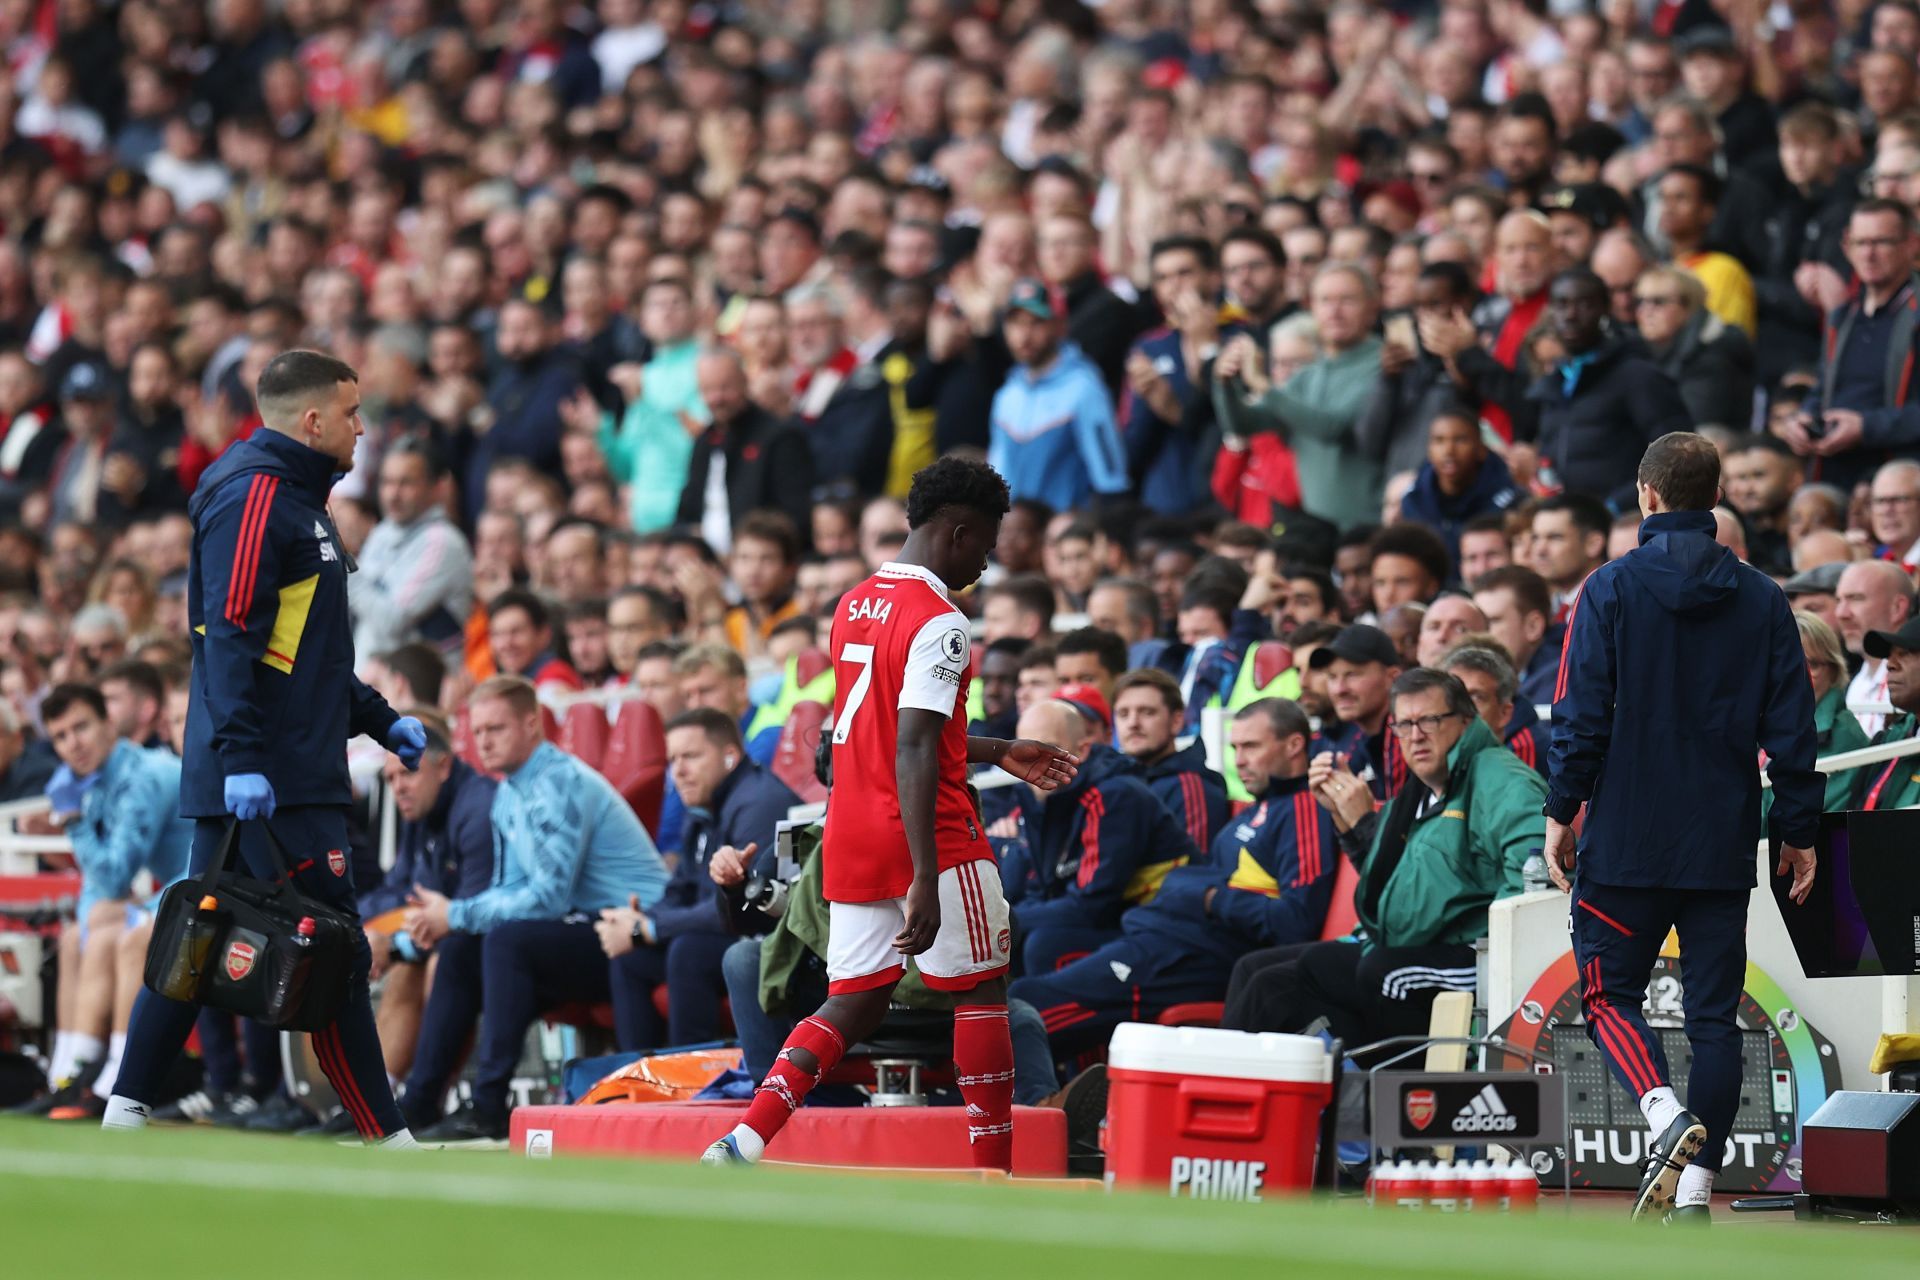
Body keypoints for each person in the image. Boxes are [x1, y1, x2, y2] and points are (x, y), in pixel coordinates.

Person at [702, 457, 1080, 1170]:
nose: (988, 558)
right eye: (987, 542)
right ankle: (993, 1171)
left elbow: (883, 728)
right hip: (926, 832)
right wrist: (926, 875)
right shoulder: (943, 622)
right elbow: (911, 744)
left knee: (854, 1002)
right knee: (982, 989)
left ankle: (742, 1142)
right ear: (958, 531)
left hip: (848, 831)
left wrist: (996, 749)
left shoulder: (854, 602)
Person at [104, 350, 433, 1146]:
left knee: (202, 933)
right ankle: (388, 1139)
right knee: (335, 949)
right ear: (312, 420)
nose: (364, 428)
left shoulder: (296, 500)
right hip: (272, 776)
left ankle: (122, 1111)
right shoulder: (255, 498)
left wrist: (378, 717)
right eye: (353, 413)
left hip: (279, 766)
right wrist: (244, 758)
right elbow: (231, 639)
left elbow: (302, 656)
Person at [1544, 432, 1819, 1223]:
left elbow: (1579, 716)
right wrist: (1794, 826)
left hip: (1626, 837)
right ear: (1714, 496)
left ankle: (1666, 1119)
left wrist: (1561, 810)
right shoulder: (1765, 598)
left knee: (1607, 995)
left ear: (1647, 496)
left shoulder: (1608, 589)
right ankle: (1696, 1192)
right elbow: (1794, 729)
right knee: (1714, 1016)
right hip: (1720, 841)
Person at [402, 676, 670, 1142]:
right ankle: (418, 1103)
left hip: (638, 934)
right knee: (467, 945)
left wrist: (457, 913)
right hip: (585, 929)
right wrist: (456, 919)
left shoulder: (560, 782)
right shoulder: (508, 793)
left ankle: (488, 1105)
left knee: (505, 939)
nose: (483, 741)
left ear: (531, 725)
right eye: (478, 731)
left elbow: (547, 897)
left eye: (496, 729)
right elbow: (512, 890)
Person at [1224, 670, 1544, 1054]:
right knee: (1265, 973)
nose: (1416, 735)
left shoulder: (1503, 782)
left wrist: (1499, 957)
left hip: (1478, 954)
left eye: (1429, 720)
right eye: (1405, 724)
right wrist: (1348, 824)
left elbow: (1534, 880)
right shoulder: (1419, 792)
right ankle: (1246, 1093)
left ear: (1465, 721)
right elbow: (1400, 885)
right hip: (1413, 944)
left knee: (1381, 973)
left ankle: (1406, 1097)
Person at [1012, 698, 1339, 1054]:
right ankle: (1063, 1098)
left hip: (1200, 957)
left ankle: (1044, 1103)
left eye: (1251, 747)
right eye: (1235, 748)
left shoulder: (1306, 808)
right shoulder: (1252, 813)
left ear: (1294, 745)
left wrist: (1208, 895)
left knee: (1023, 1009)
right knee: (1029, 976)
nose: (1239, 760)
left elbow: (1296, 922)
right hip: (1164, 937)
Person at [18, 683, 191, 1117]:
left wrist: (72, 821)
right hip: (175, 889)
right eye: (60, 736)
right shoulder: (94, 777)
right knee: (82, 932)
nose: (72, 744)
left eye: (81, 728)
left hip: (203, 884)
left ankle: (118, 1075)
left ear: (108, 724)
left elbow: (113, 877)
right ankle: (67, 1074)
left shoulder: (141, 776)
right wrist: (93, 920)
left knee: (125, 933)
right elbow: (99, 891)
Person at [598, 708, 798, 1047]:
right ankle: (641, 1081)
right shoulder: (703, 806)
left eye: (690, 756)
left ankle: (691, 1083)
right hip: (719, 931)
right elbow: (680, 890)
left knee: (688, 951)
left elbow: (737, 909)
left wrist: (646, 929)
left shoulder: (758, 802)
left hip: (766, 938)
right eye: (673, 759)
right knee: (630, 957)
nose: (679, 771)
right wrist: (639, 920)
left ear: (730, 756)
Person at [1000, 697, 1196, 975]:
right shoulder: (1038, 798)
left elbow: (1092, 906)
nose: (1031, 760)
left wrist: (1001, 920)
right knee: (1007, 941)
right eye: (1023, 749)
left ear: (1082, 750)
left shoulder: (1114, 795)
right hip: (1112, 922)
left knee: (1040, 944)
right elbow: (1042, 890)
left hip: (1158, 929)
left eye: (1044, 747)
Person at [355, 713, 495, 1097]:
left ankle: (425, 1097)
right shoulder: (420, 811)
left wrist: (393, 944)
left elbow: (471, 915)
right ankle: (373, 1100)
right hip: (446, 932)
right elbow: (398, 891)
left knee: (436, 961)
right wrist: (363, 931)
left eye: (408, 774)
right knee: (394, 963)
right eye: (391, 779)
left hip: (493, 939)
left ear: (444, 766)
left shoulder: (477, 810)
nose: (398, 787)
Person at [986, 279, 1128, 511]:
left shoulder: (1084, 387)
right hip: (1015, 535)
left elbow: (1110, 480)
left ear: (1060, 326)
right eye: (1015, 323)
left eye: (1036, 322)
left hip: (1065, 535)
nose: (1024, 334)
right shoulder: (1007, 394)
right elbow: (998, 479)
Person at [348, 437, 473, 663]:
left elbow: (391, 621)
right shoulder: (383, 532)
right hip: (373, 683)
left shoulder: (443, 542)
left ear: (437, 487)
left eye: (406, 483)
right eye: (386, 482)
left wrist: (343, 565)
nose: (392, 494)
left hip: (421, 691)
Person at [1111, 668, 1230, 853]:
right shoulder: (1116, 781)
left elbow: (1193, 873)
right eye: (1123, 714)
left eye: (1147, 712)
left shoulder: (1192, 788)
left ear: (1176, 721)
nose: (1133, 723)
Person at [1398, 410, 1520, 573]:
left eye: (1460, 440)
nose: (1449, 451)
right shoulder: (1414, 501)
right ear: (1429, 450)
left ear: (1481, 450)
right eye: (1439, 441)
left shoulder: (1511, 500)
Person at [1309, 624, 1407, 800]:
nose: (1339, 689)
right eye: (1332, 677)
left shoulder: (1410, 735)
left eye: (1352, 674)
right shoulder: (1356, 741)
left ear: (1392, 678)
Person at [1834, 559, 1915, 737]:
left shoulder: (1913, 684)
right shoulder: (1850, 681)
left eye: (1856, 598)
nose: (1841, 613)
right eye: (1838, 600)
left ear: (1897, 607)